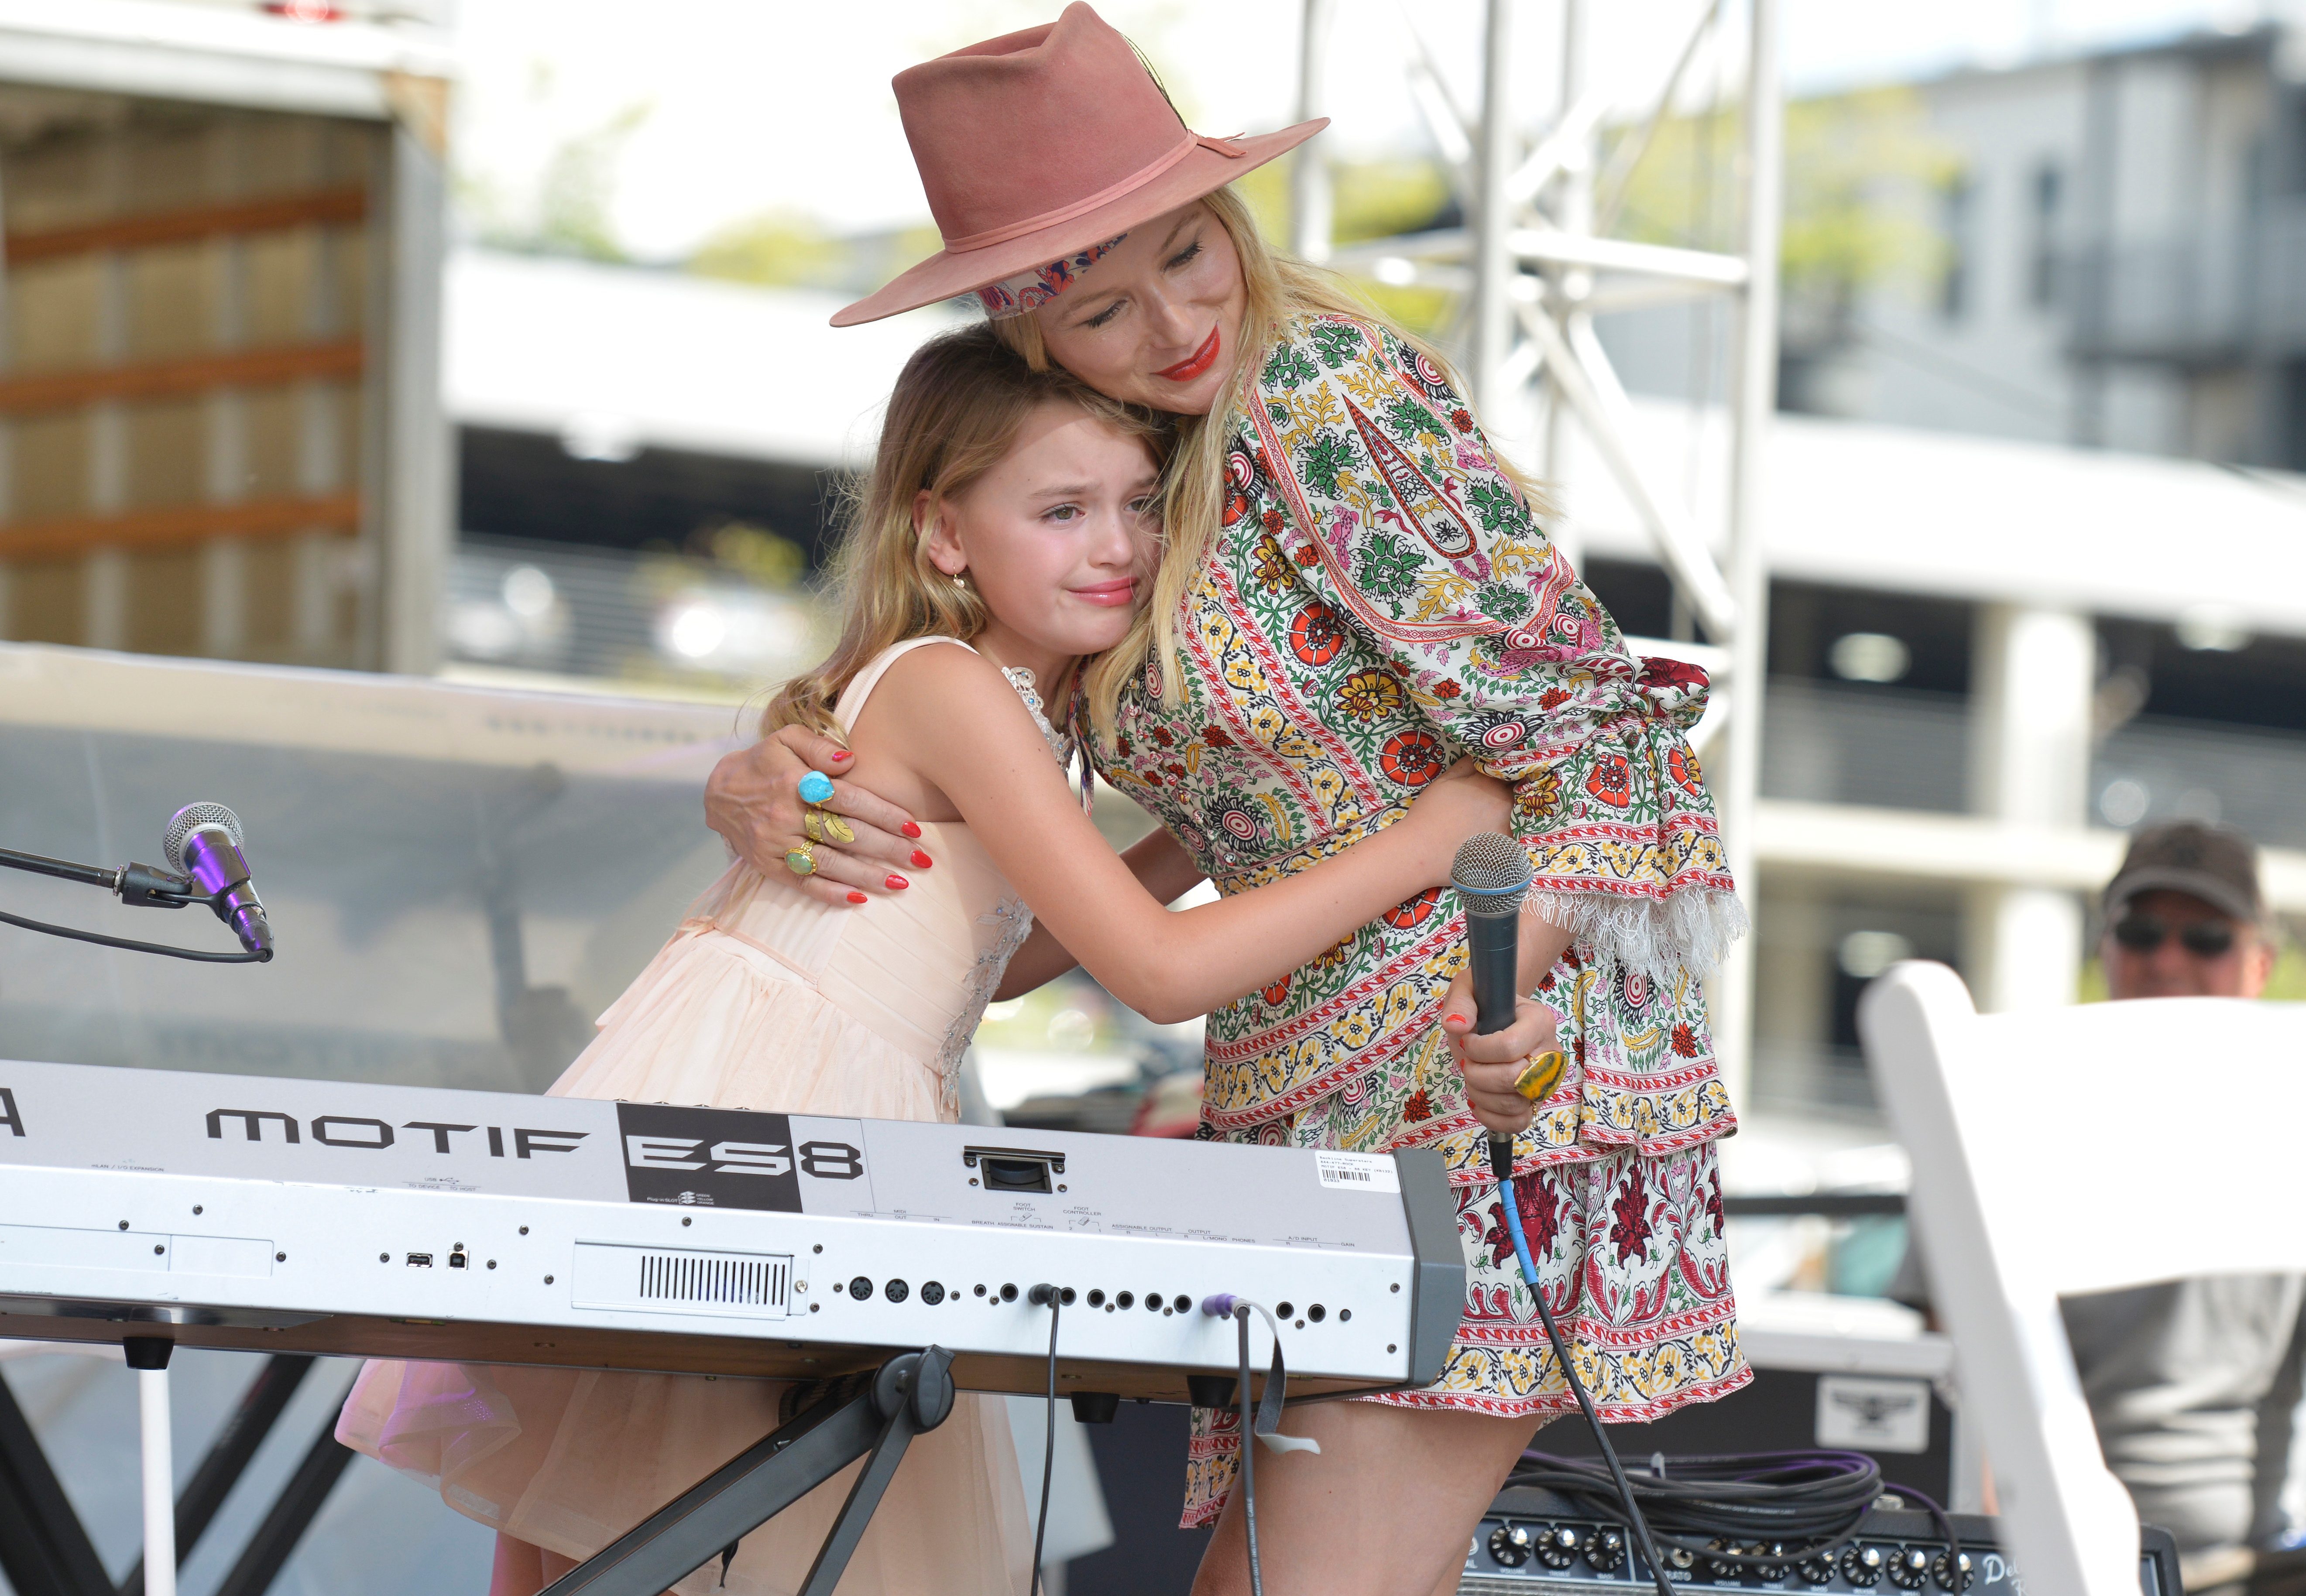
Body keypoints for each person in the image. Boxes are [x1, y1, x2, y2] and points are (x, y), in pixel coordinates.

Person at [698, 10, 1749, 1594]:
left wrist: (1508, 974)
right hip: (1301, 1084)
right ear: (1025, 328)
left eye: (1194, 254)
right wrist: (770, 770)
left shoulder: (1317, 387)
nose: (1178, 319)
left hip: (1465, 1087)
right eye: (1106, 307)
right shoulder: (1137, 465)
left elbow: (1604, 731)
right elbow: (1221, 786)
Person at [335, 325, 1520, 1596]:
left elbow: (991, 962)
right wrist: (1424, 841)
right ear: (945, 534)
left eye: (1136, 506)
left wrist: (1205, 834)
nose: (1115, 546)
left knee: (681, 1537)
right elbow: (1163, 977)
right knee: (645, 1531)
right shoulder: (954, 687)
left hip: (829, 1101)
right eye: (1061, 510)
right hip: (769, 1110)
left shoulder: (1015, 708)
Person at [1898, 821, 2306, 1596]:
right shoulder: (1996, 1119)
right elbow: (1958, 1388)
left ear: (2261, 962)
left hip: (2253, 1570)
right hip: (2045, 1566)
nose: (2167, 959)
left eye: (2205, 937)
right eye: (2142, 930)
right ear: (2105, 947)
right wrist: (2003, 1566)